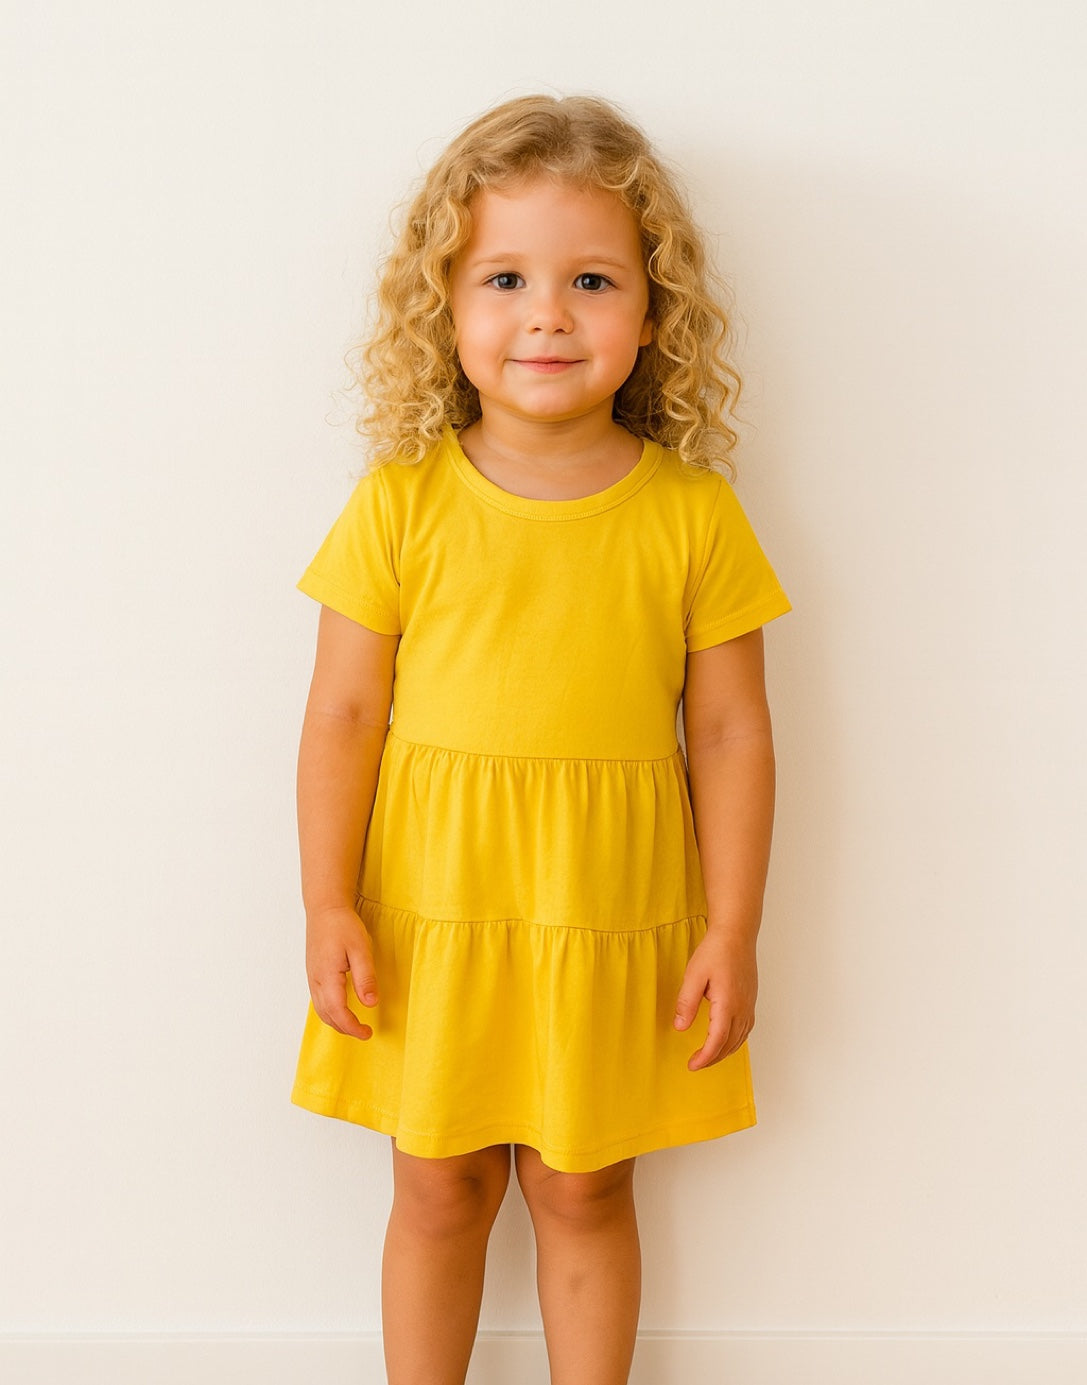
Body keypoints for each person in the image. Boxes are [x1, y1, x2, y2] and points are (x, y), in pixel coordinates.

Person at [292, 93, 791, 1385]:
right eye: (506, 277)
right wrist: (326, 903)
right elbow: (341, 713)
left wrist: (732, 926)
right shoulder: (400, 503)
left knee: (581, 1192)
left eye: (591, 279)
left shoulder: (692, 513)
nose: (549, 315)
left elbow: (733, 733)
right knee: (439, 1189)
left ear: (651, 306)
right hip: (433, 913)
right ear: (446, 305)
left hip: (606, 905)